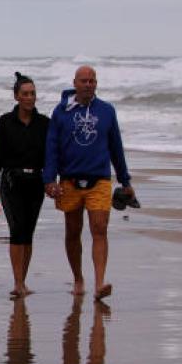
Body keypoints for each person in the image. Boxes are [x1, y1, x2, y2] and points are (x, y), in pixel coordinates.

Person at [43, 65, 135, 301]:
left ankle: (99, 283)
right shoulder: (61, 111)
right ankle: (78, 278)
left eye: (91, 80)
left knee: (99, 229)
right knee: (73, 232)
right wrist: (49, 180)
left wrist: (125, 180)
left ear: (97, 83)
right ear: (74, 83)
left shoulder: (106, 111)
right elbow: (51, 148)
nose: (87, 84)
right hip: (70, 182)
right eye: (83, 81)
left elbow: (116, 147)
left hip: (100, 181)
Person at [0, 72, 49, 298]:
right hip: (11, 183)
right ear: (16, 97)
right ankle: (18, 282)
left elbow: (51, 156)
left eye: (33, 94)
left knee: (28, 233)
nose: (30, 98)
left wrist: (52, 180)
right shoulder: (5, 122)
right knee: (17, 230)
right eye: (25, 94)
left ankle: (23, 280)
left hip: (36, 183)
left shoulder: (44, 124)